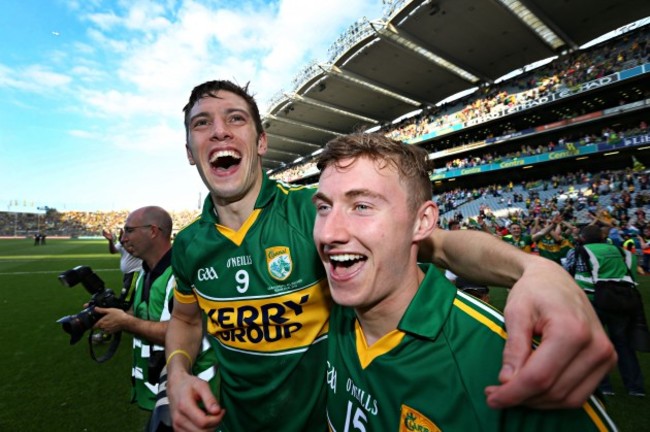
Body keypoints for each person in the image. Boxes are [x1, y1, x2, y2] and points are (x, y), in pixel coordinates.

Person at [165, 80, 615, 431]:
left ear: (261, 142)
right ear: (189, 151)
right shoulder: (188, 245)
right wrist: (179, 371)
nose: (219, 130)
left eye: (235, 118)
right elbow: (186, 320)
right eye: (202, 123)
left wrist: (534, 269)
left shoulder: (312, 212)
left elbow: (438, 243)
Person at [315, 132, 616, 430]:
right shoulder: (337, 307)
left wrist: (535, 269)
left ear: (422, 222)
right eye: (324, 207)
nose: (329, 233)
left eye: (362, 206)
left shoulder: (498, 360)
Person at [93, 206, 218, 415]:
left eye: (129, 230)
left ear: (153, 231)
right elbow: (138, 313)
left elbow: (182, 332)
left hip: (191, 396)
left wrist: (125, 322)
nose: (123, 239)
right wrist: (107, 313)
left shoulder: (180, 274)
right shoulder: (145, 271)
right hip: (161, 389)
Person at [566, 224, 646, 397]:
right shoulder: (622, 251)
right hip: (622, 300)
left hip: (592, 302)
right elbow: (631, 273)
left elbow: (571, 274)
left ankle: (603, 386)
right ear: (603, 237)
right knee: (624, 344)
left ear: (583, 238)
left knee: (594, 344)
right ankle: (635, 387)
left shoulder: (578, 252)